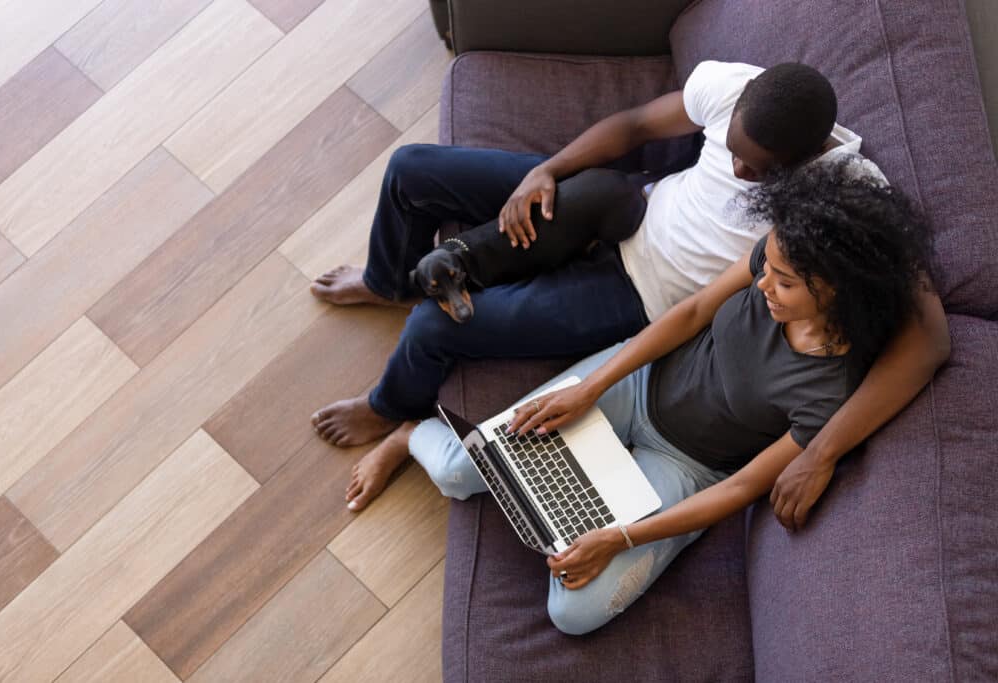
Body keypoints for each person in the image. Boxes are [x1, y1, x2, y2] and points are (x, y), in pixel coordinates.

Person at [318, 61, 950, 522]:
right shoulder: (741, 90)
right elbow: (634, 125)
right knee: (410, 171)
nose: (738, 171)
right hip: (616, 206)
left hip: (636, 297)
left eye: (757, 170)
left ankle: (388, 408)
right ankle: (384, 281)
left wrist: (825, 452)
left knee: (433, 327)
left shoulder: (852, 195)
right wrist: (548, 170)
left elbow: (929, 339)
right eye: (734, 152)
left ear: (806, 156)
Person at [396, 160, 936, 634]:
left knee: (573, 613)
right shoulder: (775, 258)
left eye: (785, 281)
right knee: (458, 474)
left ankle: (591, 499)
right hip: (634, 385)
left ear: (836, 289)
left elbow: (746, 484)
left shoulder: (833, 389)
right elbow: (693, 312)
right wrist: (591, 386)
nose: (764, 283)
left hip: (685, 468)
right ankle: (404, 436)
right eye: (765, 267)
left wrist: (623, 539)